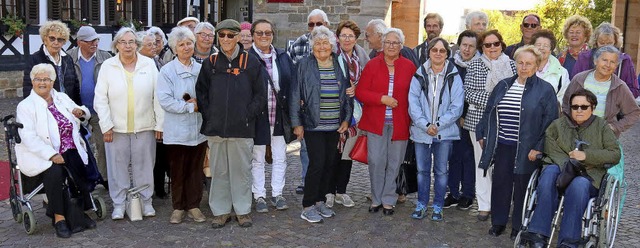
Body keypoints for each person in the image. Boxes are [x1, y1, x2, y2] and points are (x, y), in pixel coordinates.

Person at [476, 45, 558, 238]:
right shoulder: (503, 85)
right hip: (504, 145)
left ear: (537, 66)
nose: (524, 67)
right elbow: (488, 112)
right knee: (501, 184)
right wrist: (483, 134)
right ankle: (498, 222)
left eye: (529, 63)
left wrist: (538, 148)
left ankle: (518, 227)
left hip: (527, 149)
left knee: (522, 188)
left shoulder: (545, 90)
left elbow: (551, 123)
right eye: (520, 63)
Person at [521, 89, 620, 247]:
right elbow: (549, 145)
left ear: (592, 107)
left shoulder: (601, 126)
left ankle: (569, 241)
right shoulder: (558, 125)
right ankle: (538, 234)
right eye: (575, 107)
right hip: (560, 170)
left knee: (578, 185)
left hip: (588, 176)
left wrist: (586, 156)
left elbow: (614, 154)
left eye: (584, 106)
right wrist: (569, 164)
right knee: (548, 173)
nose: (579, 110)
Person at [195, 19, 266, 228]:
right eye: (222, 35)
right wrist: (210, 115)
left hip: (242, 129)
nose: (226, 39)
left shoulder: (251, 62)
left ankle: (243, 210)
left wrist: (247, 116)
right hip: (216, 129)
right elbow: (202, 92)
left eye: (230, 35)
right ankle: (221, 211)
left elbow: (260, 95)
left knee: (241, 171)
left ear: (238, 37)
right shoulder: (210, 63)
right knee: (219, 172)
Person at [16, 63, 96, 238]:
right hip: (41, 154)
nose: (42, 82)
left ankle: (79, 213)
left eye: (46, 79)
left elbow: (83, 111)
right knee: (55, 173)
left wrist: (81, 112)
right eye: (38, 79)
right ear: (32, 81)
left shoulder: (61, 97)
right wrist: (51, 154)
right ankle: (59, 218)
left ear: (53, 81)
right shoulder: (25, 106)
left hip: (68, 148)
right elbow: (29, 138)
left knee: (79, 163)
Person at [94, 27, 164, 220]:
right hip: (115, 129)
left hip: (144, 125)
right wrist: (106, 125)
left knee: (145, 165)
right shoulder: (108, 66)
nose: (127, 46)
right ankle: (119, 203)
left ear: (137, 45)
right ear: (117, 45)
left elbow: (157, 96)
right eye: (123, 42)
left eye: (131, 42)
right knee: (117, 167)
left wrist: (159, 124)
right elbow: (100, 98)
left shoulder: (148, 64)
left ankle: (146, 201)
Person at [290, 26, 352, 223]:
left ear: (333, 46)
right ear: (312, 46)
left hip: (334, 124)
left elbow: (347, 94)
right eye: (318, 43)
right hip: (312, 124)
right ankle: (308, 205)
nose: (322, 46)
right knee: (316, 164)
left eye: (326, 43)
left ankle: (320, 201)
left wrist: (346, 119)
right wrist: (296, 123)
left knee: (328, 164)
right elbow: (294, 95)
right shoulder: (304, 65)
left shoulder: (340, 63)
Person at [356, 28, 416, 216]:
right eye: (388, 42)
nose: (391, 46)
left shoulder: (409, 67)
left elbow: (415, 95)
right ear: (382, 44)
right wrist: (381, 99)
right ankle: (376, 198)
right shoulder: (373, 65)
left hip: (400, 122)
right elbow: (361, 92)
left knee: (394, 162)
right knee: (375, 160)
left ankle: (389, 199)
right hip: (376, 122)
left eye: (395, 42)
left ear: (401, 46)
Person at [463, 29, 516, 221]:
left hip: (507, 122)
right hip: (479, 122)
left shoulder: (513, 65)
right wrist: (496, 99)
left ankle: (500, 203)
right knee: (482, 164)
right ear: (482, 47)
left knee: (502, 166)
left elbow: (518, 91)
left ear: (501, 44)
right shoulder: (474, 65)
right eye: (487, 45)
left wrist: (501, 101)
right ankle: (484, 205)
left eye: (496, 44)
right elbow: (469, 93)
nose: (492, 48)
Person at [409, 38, 464, 221]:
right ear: (429, 52)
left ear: (447, 53)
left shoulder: (454, 76)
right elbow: (413, 102)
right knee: (422, 171)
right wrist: (425, 125)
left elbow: (457, 106)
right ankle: (422, 204)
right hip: (421, 131)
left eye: (442, 50)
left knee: (441, 171)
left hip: (445, 132)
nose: (438, 53)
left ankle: (438, 205)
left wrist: (438, 125)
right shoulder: (419, 74)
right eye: (435, 50)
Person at [156, 26, 208, 224]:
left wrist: (199, 104)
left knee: (195, 171)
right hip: (176, 130)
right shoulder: (167, 71)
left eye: (189, 43)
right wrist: (188, 107)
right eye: (181, 44)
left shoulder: (201, 69)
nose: (186, 47)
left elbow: (207, 94)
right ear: (174, 48)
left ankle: (194, 206)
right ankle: (178, 207)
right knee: (178, 171)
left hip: (198, 130)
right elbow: (165, 100)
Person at [248, 19, 295, 213]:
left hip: (279, 115)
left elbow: (291, 85)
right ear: (252, 35)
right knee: (257, 158)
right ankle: (259, 194)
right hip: (257, 116)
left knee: (280, 156)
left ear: (273, 35)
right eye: (259, 33)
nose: (264, 36)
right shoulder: (247, 58)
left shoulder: (283, 56)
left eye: (268, 33)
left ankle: (277, 193)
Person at [324, 19, 370, 209]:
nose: (347, 39)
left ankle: (341, 191)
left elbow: (367, 83)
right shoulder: (331, 56)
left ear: (356, 39)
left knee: (347, 155)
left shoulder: (361, 58)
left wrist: (357, 88)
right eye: (343, 35)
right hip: (334, 111)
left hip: (355, 114)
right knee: (333, 154)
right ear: (338, 37)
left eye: (351, 36)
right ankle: (328, 192)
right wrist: (343, 89)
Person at [66, 26, 113, 190]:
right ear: (80, 42)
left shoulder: (106, 57)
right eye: (90, 41)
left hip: (100, 110)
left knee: (103, 145)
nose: (94, 43)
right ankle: (82, 180)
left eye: (96, 40)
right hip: (77, 110)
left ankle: (104, 178)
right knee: (78, 145)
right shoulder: (69, 57)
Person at [287, 9, 328, 195]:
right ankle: (306, 180)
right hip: (307, 107)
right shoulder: (299, 44)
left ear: (326, 25)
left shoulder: (332, 43)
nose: (315, 27)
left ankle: (325, 185)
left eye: (319, 24)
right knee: (305, 148)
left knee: (327, 150)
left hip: (329, 107)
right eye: (311, 24)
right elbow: (293, 77)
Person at [562, 45, 640, 137]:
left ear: (616, 66)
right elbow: (566, 104)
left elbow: (634, 112)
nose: (608, 65)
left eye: (612, 62)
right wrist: (571, 124)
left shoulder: (619, 86)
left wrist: (615, 127)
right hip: (576, 134)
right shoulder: (579, 79)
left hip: (603, 139)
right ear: (595, 61)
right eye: (604, 60)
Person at [444, 30, 480, 210]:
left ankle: (468, 193)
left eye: (471, 46)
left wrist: (464, 115)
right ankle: (453, 193)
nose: (467, 49)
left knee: (468, 157)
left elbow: (474, 93)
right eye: (464, 45)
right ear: (459, 45)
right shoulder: (450, 64)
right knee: (453, 157)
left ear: (476, 48)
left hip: (470, 119)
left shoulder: (480, 65)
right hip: (451, 119)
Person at [136, 30, 170, 199]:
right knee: (145, 157)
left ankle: (158, 187)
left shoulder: (158, 61)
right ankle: (144, 190)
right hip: (144, 115)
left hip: (160, 114)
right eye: (149, 45)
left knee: (161, 154)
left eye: (155, 44)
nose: (154, 47)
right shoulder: (138, 65)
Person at [571, 22, 640, 98]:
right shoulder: (584, 58)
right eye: (602, 43)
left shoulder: (624, 60)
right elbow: (574, 86)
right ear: (596, 42)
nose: (606, 47)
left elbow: (634, 91)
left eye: (609, 43)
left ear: (615, 42)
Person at [23, 20, 80, 104]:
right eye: (52, 38)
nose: (56, 42)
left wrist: (78, 108)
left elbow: (75, 86)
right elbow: (28, 88)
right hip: (45, 106)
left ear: (64, 42)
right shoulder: (35, 59)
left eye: (60, 39)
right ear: (45, 39)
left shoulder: (67, 59)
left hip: (67, 106)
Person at [530, 29, 570, 103]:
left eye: (546, 46)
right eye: (538, 45)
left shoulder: (562, 73)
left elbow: (563, 97)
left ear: (550, 50)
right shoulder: (523, 67)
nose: (541, 48)